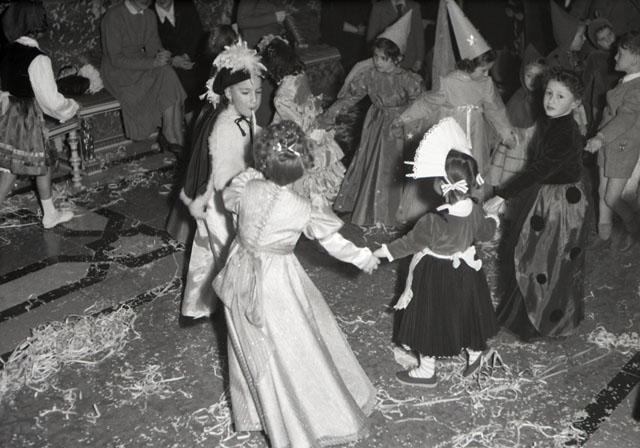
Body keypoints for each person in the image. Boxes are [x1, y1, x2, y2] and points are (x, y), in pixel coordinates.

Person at [213, 120, 378, 447]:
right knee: (293, 344)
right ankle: (303, 419)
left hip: (237, 270)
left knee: (253, 343)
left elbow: (228, 202)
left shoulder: (246, 186)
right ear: (303, 168)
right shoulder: (304, 209)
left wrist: (253, 178)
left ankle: (262, 411)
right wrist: (363, 257)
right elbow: (333, 243)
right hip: (276, 281)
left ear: (262, 159)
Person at [373, 117, 500, 387]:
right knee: (466, 313)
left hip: (435, 275)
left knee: (429, 319)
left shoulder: (432, 221)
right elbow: (486, 233)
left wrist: (381, 252)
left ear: (442, 185)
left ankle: (426, 371)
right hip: (467, 273)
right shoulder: (475, 210)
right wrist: (494, 219)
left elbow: (408, 244)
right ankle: (476, 357)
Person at [486, 68, 589, 341]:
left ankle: (538, 319)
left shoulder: (564, 131)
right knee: (533, 254)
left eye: (560, 96)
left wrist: (503, 194)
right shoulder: (553, 122)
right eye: (548, 93)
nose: (551, 101)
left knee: (543, 258)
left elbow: (541, 168)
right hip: (551, 194)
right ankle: (525, 312)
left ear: (575, 103)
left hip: (561, 204)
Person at [393, 0, 514, 225]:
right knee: (450, 169)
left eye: (488, 71)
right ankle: (444, 209)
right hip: (453, 134)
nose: (487, 75)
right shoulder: (448, 82)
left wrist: (506, 132)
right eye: (483, 70)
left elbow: (495, 109)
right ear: (468, 64)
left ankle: (473, 213)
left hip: (476, 134)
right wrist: (405, 117)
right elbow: (428, 102)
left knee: (474, 168)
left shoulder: (486, 84)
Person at [178, 40, 264, 326]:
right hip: (223, 202)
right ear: (227, 92)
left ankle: (198, 307)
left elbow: (256, 137)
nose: (253, 100)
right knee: (229, 255)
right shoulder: (226, 126)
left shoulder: (244, 116)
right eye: (245, 93)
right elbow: (227, 175)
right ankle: (234, 310)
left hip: (228, 197)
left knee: (206, 254)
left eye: (258, 92)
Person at [319, 12, 424, 227]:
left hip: (399, 128)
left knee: (392, 166)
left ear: (397, 59)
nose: (377, 62)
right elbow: (350, 98)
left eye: (384, 58)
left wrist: (406, 120)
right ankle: (369, 205)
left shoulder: (408, 80)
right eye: (375, 57)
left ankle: (393, 208)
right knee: (372, 161)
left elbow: (419, 104)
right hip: (375, 124)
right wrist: (330, 114)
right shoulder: (369, 76)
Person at [0, 1, 79, 229]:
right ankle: (50, 215)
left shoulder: (7, 50)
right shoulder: (38, 58)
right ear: (39, 27)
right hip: (25, 119)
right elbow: (50, 100)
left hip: (7, 113)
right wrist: (71, 107)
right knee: (27, 168)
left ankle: (50, 213)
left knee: (21, 166)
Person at [164, 25, 239, 245]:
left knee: (206, 167)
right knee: (209, 168)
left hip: (210, 116)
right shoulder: (226, 62)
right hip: (217, 118)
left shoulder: (221, 61)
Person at [259, 34, 345, 202]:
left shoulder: (281, 97)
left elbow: (296, 124)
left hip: (302, 131)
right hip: (313, 120)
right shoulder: (299, 74)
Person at [100, 0, 186, 155]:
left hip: (141, 64)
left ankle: (172, 134)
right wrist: (153, 62)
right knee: (165, 74)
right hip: (117, 71)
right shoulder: (113, 16)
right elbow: (116, 59)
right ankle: (173, 139)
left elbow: (154, 48)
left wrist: (162, 55)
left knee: (167, 72)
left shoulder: (149, 15)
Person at [584, 31, 640, 252]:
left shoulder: (638, 88)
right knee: (602, 192)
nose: (615, 56)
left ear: (636, 59)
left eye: (620, 53)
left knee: (612, 197)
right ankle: (604, 232)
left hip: (623, 148)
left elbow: (626, 117)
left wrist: (601, 136)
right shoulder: (626, 80)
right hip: (609, 146)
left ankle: (633, 229)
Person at [488, 45, 546, 188]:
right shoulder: (517, 98)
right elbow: (507, 120)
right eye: (529, 75)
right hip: (517, 144)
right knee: (512, 177)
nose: (532, 81)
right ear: (522, 74)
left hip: (535, 144)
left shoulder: (544, 98)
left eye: (538, 77)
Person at [153, 0, 209, 128]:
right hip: (167, 64)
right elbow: (151, 47)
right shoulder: (149, 13)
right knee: (184, 81)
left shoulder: (185, 5)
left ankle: (203, 128)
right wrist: (173, 60)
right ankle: (194, 130)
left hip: (193, 57)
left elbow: (198, 35)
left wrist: (187, 56)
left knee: (206, 75)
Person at [366, 0, 425, 73]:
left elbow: (419, 35)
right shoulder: (379, 7)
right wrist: (373, 58)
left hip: (409, 58)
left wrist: (419, 59)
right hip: (386, 59)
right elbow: (371, 36)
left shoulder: (414, 7)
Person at [545, 0, 587, 73]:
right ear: (569, 39)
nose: (585, 38)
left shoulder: (572, 54)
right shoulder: (556, 63)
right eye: (581, 36)